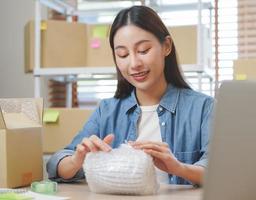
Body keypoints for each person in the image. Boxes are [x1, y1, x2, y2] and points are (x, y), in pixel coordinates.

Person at [47, 5, 214, 186]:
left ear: (166, 46)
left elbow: (218, 170)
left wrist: (178, 168)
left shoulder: (203, 108)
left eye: (143, 51)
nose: (134, 63)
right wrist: (76, 160)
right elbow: (57, 163)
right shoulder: (107, 111)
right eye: (123, 54)